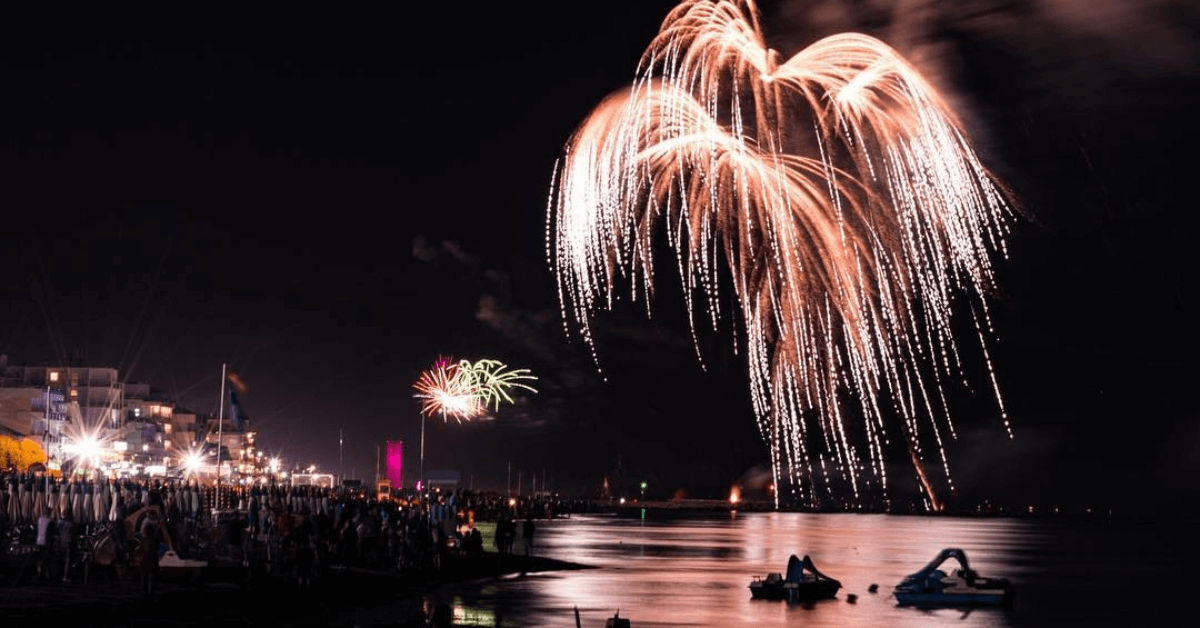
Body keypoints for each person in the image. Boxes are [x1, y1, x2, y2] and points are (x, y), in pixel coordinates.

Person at [139, 507, 163, 595]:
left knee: (145, 575)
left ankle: (144, 590)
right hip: (151, 559)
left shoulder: (145, 540)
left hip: (145, 560)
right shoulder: (152, 539)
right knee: (150, 575)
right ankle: (149, 591)